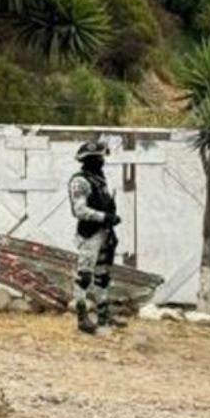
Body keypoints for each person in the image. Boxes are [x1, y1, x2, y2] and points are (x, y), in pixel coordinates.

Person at [69, 141, 122, 335]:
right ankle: (82, 318)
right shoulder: (80, 181)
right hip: (89, 233)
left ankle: (103, 315)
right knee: (84, 276)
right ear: (90, 160)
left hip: (105, 233)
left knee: (102, 275)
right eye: (98, 158)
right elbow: (80, 210)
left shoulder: (100, 179)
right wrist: (104, 217)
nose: (102, 160)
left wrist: (109, 219)